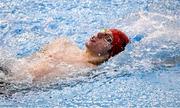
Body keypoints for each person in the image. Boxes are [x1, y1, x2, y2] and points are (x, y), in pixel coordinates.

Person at [2, 28, 129, 84]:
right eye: (103, 31)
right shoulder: (62, 43)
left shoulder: (89, 71)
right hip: (9, 69)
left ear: (110, 52)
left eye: (108, 38)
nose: (99, 34)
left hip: (12, 87)